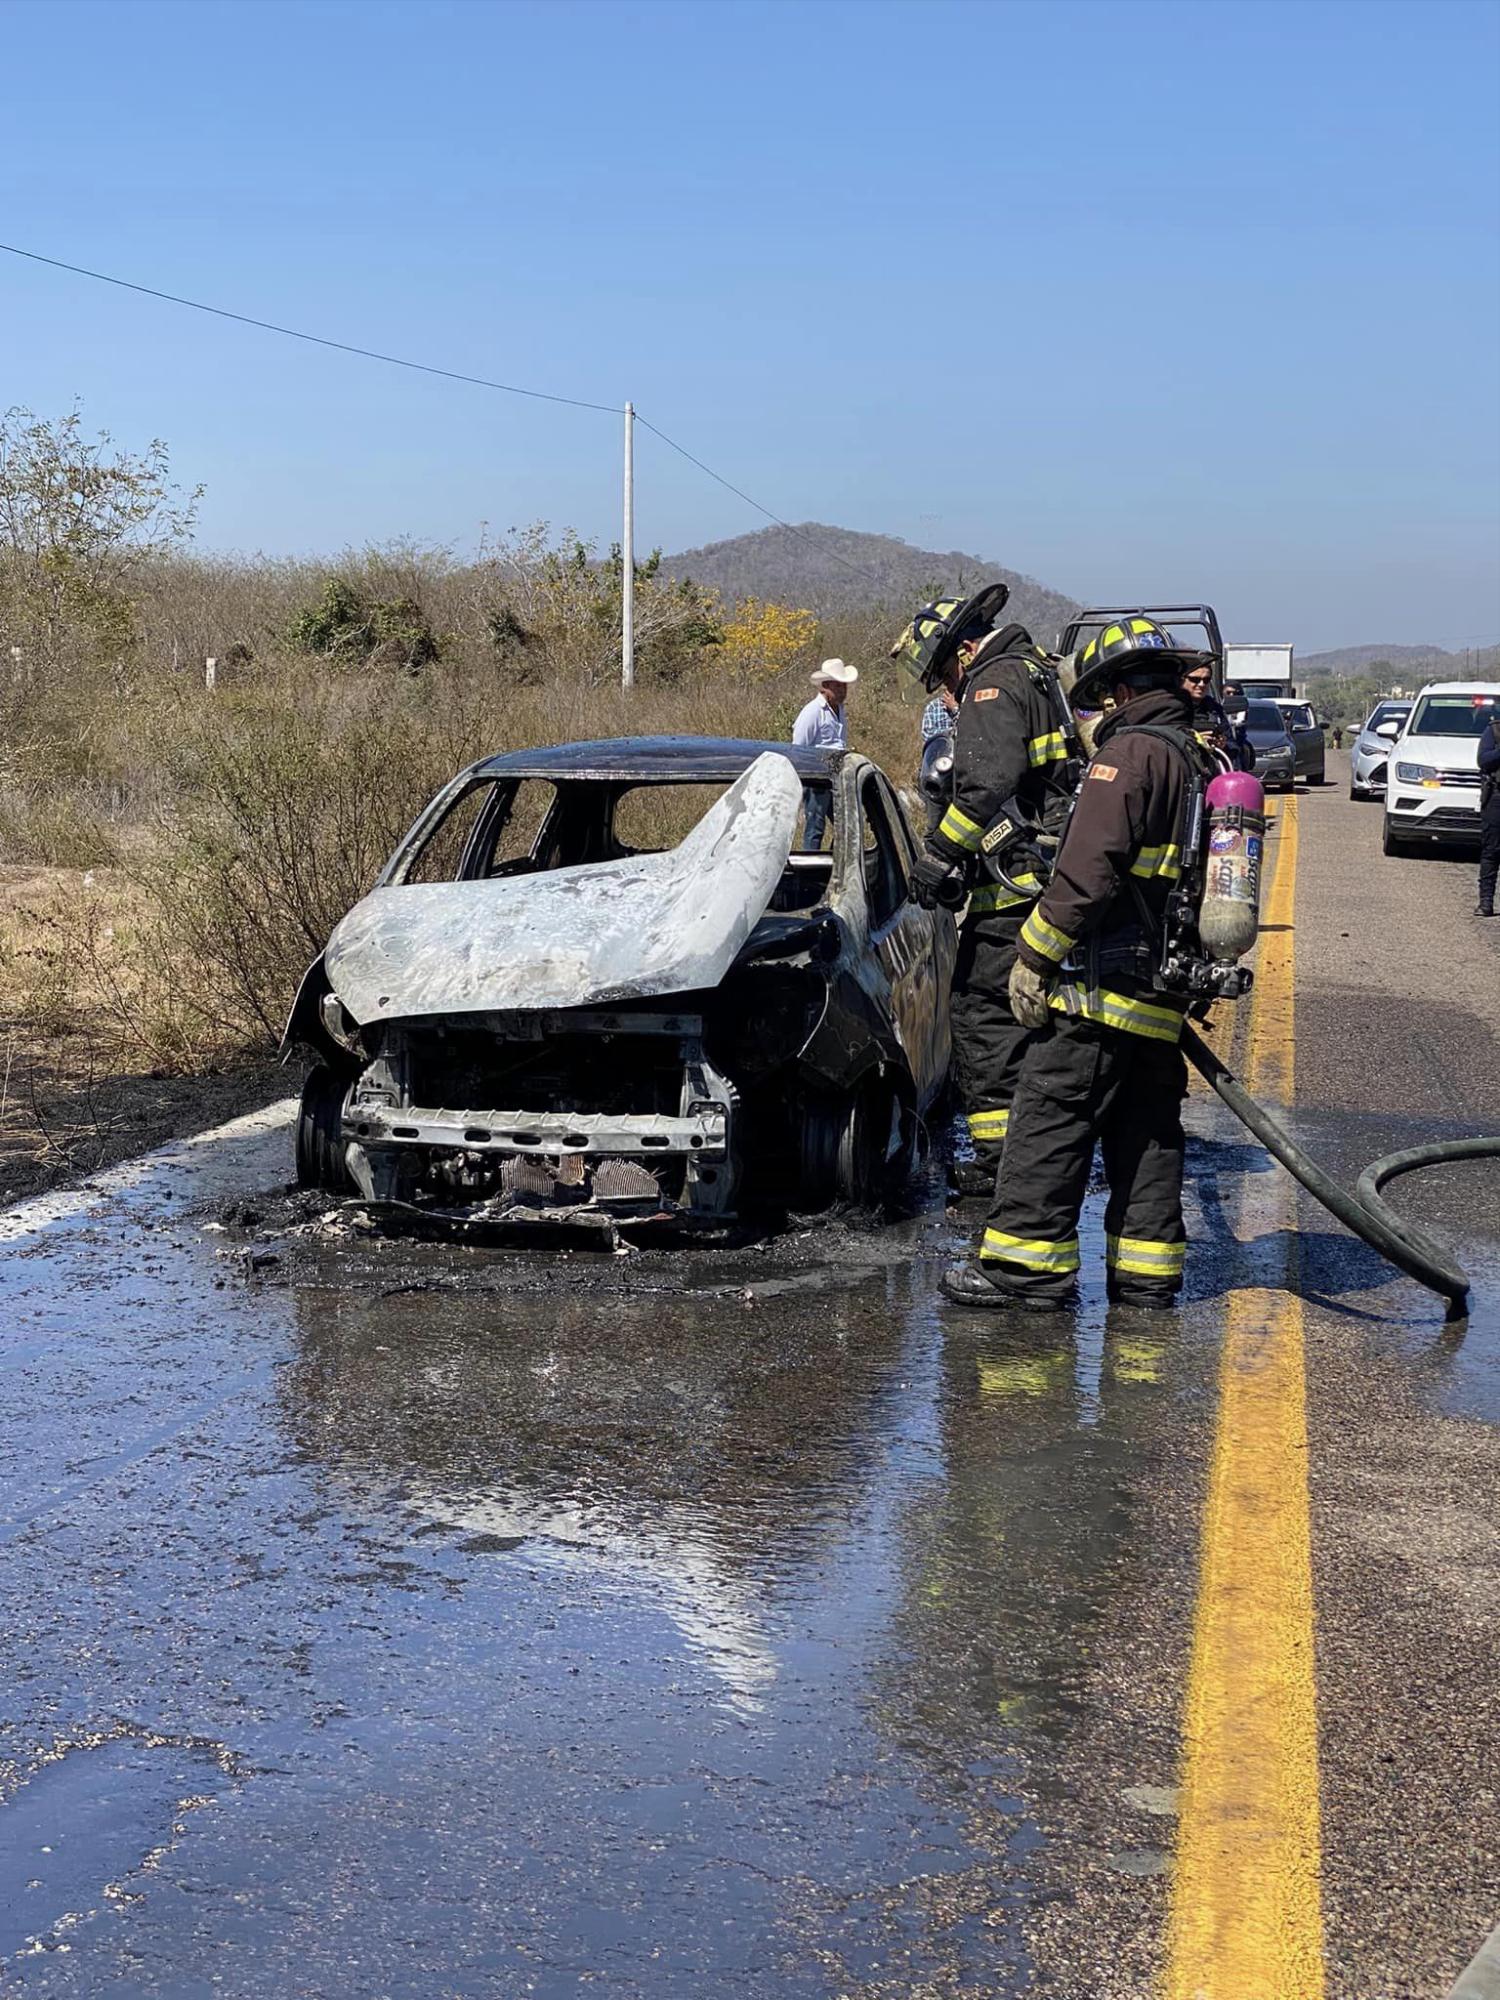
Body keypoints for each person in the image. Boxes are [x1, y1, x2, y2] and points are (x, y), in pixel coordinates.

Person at [941, 616, 1213, 1312]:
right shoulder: (1200, 756)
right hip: (1161, 990)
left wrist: (1034, 954)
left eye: (1098, 701)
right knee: (1146, 1132)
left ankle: (1024, 1269)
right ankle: (1146, 1276)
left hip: (1101, 989)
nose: (1094, 715)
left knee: (1050, 1116)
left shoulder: (1129, 757)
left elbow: (1087, 871)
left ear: (1119, 691)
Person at [894, 585, 1077, 1195]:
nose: (947, 690)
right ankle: (1019, 1158)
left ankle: (1002, 1165)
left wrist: (938, 857)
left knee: (980, 1016)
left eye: (945, 672)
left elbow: (986, 787)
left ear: (965, 650)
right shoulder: (1032, 670)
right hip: (1038, 876)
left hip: (1018, 890)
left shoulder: (993, 684)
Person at [791, 659, 857, 848]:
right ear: (826, 686)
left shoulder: (839, 709)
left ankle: (834, 862)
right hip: (817, 779)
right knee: (815, 828)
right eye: (838, 685)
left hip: (835, 777)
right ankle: (810, 873)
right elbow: (799, 748)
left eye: (844, 685)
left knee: (846, 825)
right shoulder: (812, 712)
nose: (843, 689)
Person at [1478, 705, 1500, 918]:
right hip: (1496, 798)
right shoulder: (1494, 731)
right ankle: (1486, 902)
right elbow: (1483, 760)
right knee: (1491, 851)